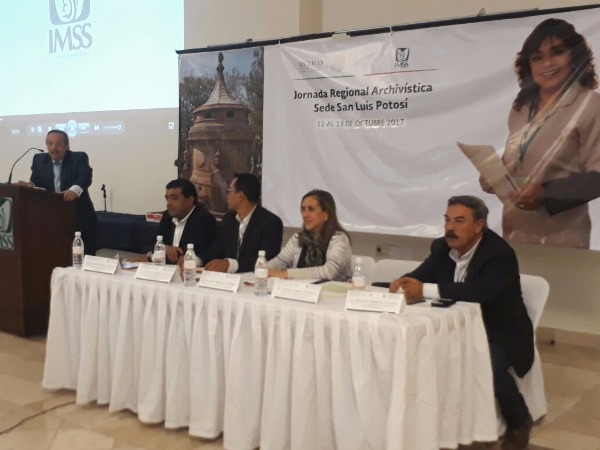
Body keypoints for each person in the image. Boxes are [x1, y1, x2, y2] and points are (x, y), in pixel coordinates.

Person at [389, 196, 534, 450]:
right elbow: (422, 276)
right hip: (454, 327)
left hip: (499, 332)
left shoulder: (499, 254)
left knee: (487, 363)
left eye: (459, 221)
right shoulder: (442, 247)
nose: (449, 228)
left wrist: (425, 290)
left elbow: (479, 293)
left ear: (479, 226)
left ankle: (519, 421)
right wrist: (404, 282)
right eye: (447, 220)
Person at [481, 18, 600, 248]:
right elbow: (519, 160)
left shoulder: (591, 106)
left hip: (562, 241)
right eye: (537, 57)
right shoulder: (521, 108)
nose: (547, 63)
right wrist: (496, 177)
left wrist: (544, 193)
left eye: (557, 52)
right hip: (514, 235)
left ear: (575, 57)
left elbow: (598, 177)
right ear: (528, 65)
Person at [18, 129, 98, 255]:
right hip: (51, 219)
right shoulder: (39, 159)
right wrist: (30, 185)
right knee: (54, 255)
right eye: (50, 144)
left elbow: (85, 177)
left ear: (67, 146)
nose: (53, 148)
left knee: (84, 255)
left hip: (78, 216)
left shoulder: (79, 158)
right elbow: (36, 181)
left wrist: (74, 190)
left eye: (58, 144)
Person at [199, 173, 283, 273]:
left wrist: (231, 265)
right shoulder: (229, 219)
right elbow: (216, 249)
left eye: (229, 191)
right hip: (227, 278)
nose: (227, 195)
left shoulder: (270, 223)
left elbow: (267, 259)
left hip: (254, 278)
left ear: (240, 196)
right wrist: (197, 260)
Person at [268, 189, 352, 281]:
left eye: (311, 209)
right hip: (300, 288)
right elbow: (280, 261)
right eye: (303, 209)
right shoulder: (298, 237)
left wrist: (286, 273)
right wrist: (265, 269)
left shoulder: (339, 239)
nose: (305, 215)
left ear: (326, 214)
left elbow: (329, 271)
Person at [152, 179, 217, 264]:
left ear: (190, 200)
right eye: (167, 199)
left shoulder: (204, 219)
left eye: (174, 198)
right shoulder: (167, 216)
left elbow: (192, 252)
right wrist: (164, 247)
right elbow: (149, 244)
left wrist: (162, 252)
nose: (169, 203)